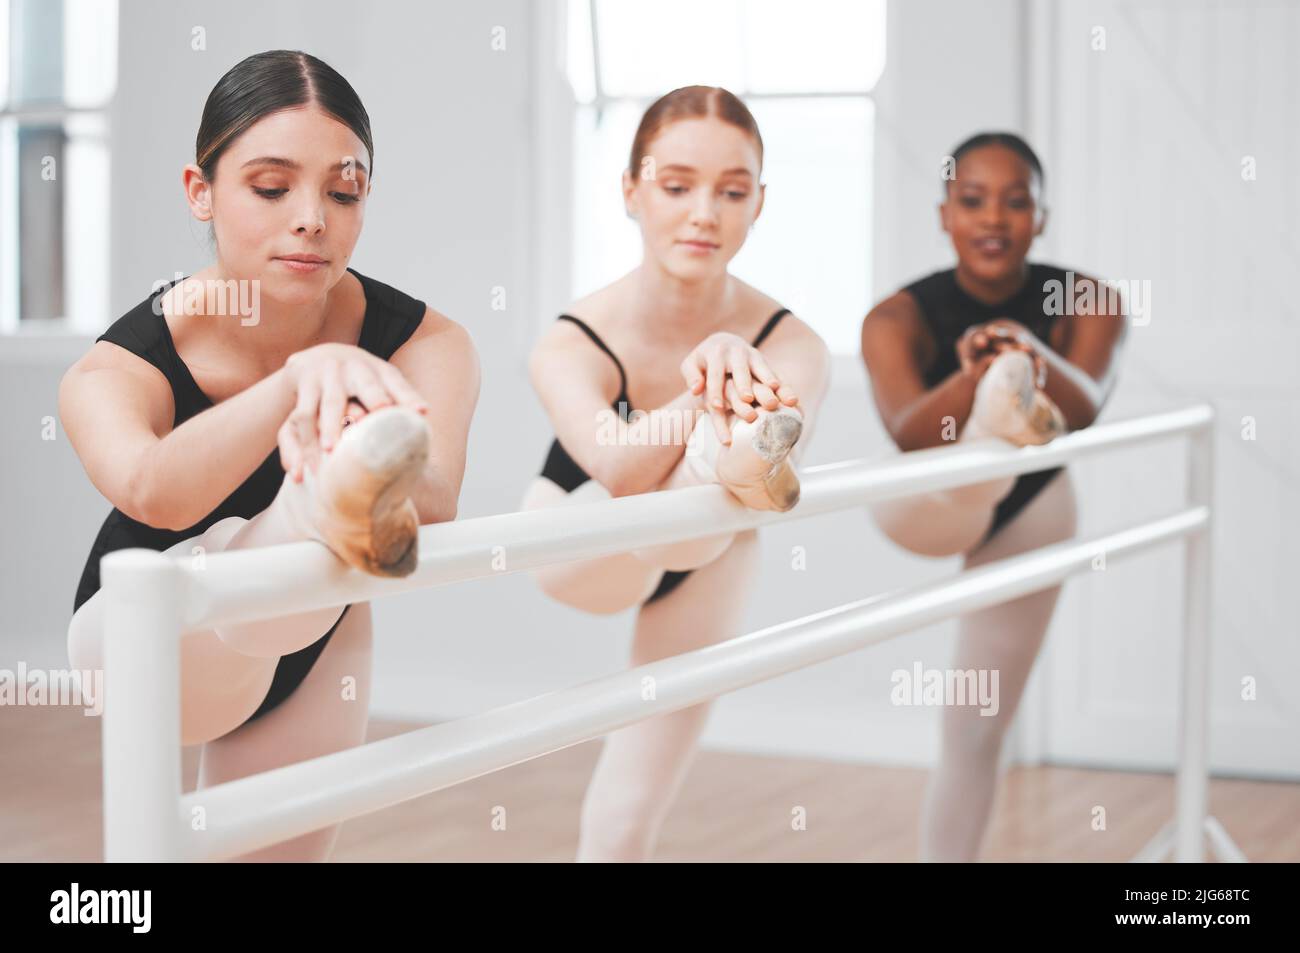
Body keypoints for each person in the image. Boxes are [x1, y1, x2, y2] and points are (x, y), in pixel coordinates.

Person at [60, 50, 480, 861]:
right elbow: (154, 491)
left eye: (343, 190)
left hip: (315, 633)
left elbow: (430, 499)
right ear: (200, 192)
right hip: (145, 638)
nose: (312, 218)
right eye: (270, 186)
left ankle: (318, 504)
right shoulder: (120, 365)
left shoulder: (431, 340)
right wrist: (298, 383)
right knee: (277, 538)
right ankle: (316, 499)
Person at [520, 85, 832, 862]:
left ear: (759, 204)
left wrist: (735, 391)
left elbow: (775, 478)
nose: (705, 213)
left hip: (707, 544)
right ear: (631, 190)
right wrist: (707, 386)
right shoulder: (572, 337)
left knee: (625, 821)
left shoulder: (792, 341)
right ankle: (718, 443)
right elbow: (621, 474)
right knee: (700, 485)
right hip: (582, 532)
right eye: (677, 185)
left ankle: (717, 453)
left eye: (732, 192)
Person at [860, 131, 1127, 861]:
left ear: (1041, 218)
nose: (994, 219)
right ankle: (998, 414)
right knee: (973, 458)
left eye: (1017, 203)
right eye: (973, 201)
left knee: (974, 724)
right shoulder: (896, 316)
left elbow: (1087, 404)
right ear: (943, 212)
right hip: (927, 493)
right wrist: (978, 374)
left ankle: (1004, 412)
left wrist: (1027, 350)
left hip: (1031, 504)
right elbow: (910, 429)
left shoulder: (1088, 298)